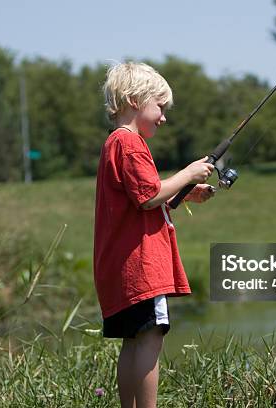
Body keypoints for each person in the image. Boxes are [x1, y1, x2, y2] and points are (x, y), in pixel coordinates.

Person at [93, 61, 215, 407]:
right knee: (150, 340)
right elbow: (148, 197)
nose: (163, 117)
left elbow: (141, 196)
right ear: (135, 99)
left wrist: (185, 192)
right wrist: (189, 173)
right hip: (140, 267)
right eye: (160, 106)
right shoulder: (130, 144)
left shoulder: (114, 143)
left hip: (119, 267)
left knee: (133, 341)